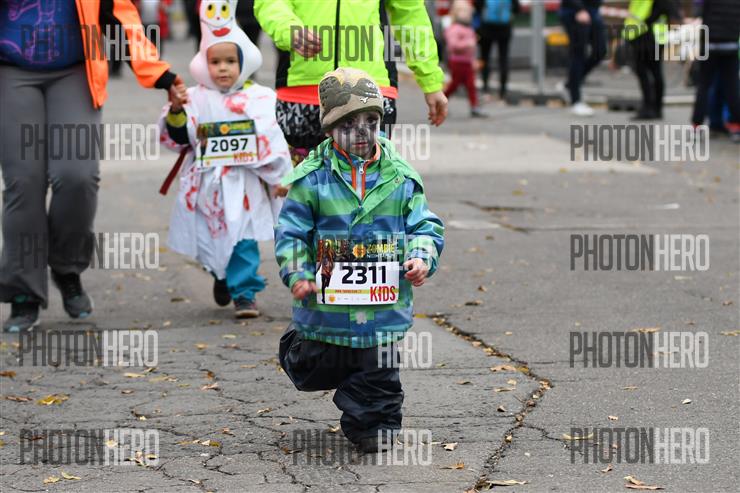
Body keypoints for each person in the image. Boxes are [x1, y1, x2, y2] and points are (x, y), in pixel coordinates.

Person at [274, 67, 445, 453]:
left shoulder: (400, 177)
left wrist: (421, 257)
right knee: (312, 363)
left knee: (378, 371)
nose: (362, 131)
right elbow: (291, 233)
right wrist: (298, 274)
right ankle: (310, 355)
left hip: (382, 307)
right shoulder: (311, 179)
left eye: (371, 120)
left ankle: (375, 425)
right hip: (326, 309)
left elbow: (425, 225)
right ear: (329, 129)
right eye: (348, 123)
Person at [0, 0, 187, 332]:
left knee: (77, 177)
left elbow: (119, 15)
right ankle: (23, 292)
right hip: (10, 71)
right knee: (24, 183)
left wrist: (159, 73)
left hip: (74, 70)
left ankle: (67, 267)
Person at [158, 0, 291, 318]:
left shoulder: (260, 99)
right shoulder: (195, 98)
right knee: (211, 237)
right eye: (215, 61)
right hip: (207, 185)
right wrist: (176, 111)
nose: (222, 68)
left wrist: (280, 177)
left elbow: (273, 139)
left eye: (230, 61)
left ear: (243, 62)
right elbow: (179, 137)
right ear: (204, 64)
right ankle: (221, 275)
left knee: (244, 237)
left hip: (244, 184)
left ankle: (244, 292)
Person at [254, 0, 448, 165]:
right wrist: (289, 31)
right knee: (301, 190)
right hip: (301, 92)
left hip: (369, 93)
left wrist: (430, 79)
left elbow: (410, 14)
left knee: (366, 188)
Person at [623, 0, 682, 120]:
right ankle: (655, 108)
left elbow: (664, 9)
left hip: (646, 34)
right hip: (651, 33)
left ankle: (649, 107)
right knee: (654, 71)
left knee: (644, 70)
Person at [690, 0, 740, 141]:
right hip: (730, 43)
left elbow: (698, 10)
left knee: (704, 86)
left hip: (709, 43)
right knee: (732, 87)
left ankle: (696, 126)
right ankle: (736, 126)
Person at [558, 0, 607, 116]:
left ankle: (570, 84)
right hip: (574, 11)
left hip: (593, 10)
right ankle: (576, 101)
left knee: (600, 51)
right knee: (578, 54)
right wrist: (579, 9)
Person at [444, 0, 487, 117]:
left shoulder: (469, 29)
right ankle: (441, 101)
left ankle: (474, 106)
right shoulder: (454, 28)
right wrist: (467, 44)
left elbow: (473, 49)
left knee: (471, 85)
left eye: (469, 12)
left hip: (467, 62)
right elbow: (452, 45)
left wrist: (473, 60)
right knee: (454, 84)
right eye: (464, 11)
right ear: (456, 13)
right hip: (457, 62)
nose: (468, 14)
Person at [475, 0, 519, 99]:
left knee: (485, 58)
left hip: (486, 28)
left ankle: (485, 87)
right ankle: (503, 90)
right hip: (505, 28)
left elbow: (478, 6)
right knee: (503, 59)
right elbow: (517, 8)